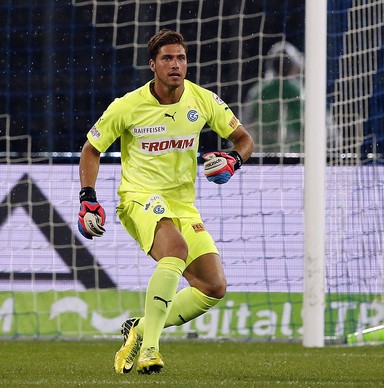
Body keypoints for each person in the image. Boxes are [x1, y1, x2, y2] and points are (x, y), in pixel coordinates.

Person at [77, 29, 254, 374]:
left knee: (212, 287)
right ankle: (150, 350)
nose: (176, 65)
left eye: (181, 58)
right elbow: (91, 150)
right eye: (167, 59)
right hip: (138, 198)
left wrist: (234, 159)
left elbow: (244, 138)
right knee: (174, 250)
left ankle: (139, 329)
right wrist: (88, 198)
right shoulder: (127, 106)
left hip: (183, 205)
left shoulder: (203, 100)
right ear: (153, 66)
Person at [242, 41, 304, 154]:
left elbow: (244, 126)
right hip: (298, 158)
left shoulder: (259, 91)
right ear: (294, 66)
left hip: (263, 159)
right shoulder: (300, 92)